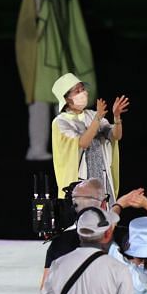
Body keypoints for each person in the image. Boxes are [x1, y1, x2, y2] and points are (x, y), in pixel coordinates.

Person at [15, 0, 105, 161]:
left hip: (58, 52)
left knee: (64, 101)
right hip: (41, 52)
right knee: (40, 102)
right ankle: (36, 149)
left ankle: (66, 147)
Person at [40, 178, 143, 288]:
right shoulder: (125, 237)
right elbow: (141, 280)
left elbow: (46, 292)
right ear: (103, 205)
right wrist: (119, 205)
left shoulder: (58, 243)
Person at [51, 72, 129, 202]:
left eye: (83, 89)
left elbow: (115, 135)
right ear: (66, 99)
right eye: (77, 91)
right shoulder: (61, 122)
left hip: (102, 178)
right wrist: (98, 118)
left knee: (106, 218)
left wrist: (116, 117)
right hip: (80, 184)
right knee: (85, 218)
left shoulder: (92, 115)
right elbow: (83, 142)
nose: (83, 93)